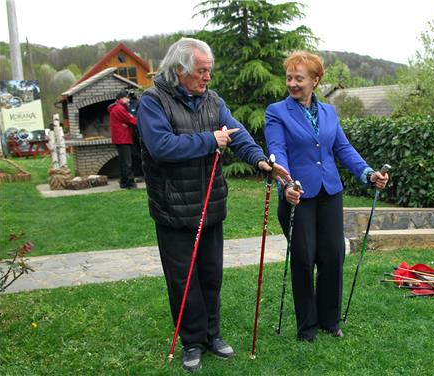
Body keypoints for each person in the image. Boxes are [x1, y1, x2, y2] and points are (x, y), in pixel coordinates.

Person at [137, 38, 290, 373]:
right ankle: (192, 341)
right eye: (201, 71)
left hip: (211, 205)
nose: (207, 78)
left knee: (210, 276)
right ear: (180, 70)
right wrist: (210, 140)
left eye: (209, 71)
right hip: (173, 209)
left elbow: (236, 134)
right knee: (183, 281)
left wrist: (261, 160)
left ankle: (212, 334)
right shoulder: (152, 101)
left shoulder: (212, 100)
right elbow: (161, 146)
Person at [264, 51, 388, 343]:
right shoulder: (277, 112)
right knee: (305, 260)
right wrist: (287, 183)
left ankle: (329, 320)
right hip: (298, 194)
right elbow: (277, 150)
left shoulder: (329, 112)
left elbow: (342, 149)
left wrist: (368, 173)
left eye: (299, 78)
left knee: (333, 255)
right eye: (289, 78)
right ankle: (307, 326)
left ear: (315, 80)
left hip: (330, 192)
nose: (292, 84)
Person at [108, 90, 138, 189]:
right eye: (126, 98)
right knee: (127, 162)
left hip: (120, 138)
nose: (128, 99)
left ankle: (123, 182)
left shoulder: (117, 108)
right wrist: (136, 119)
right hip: (123, 138)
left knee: (123, 162)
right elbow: (132, 120)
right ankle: (130, 183)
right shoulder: (120, 108)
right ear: (121, 99)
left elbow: (128, 120)